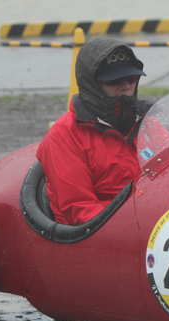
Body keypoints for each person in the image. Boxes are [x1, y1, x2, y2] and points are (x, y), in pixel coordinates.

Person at [36, 37, 151, 225]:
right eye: (114, 80)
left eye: (132, 78)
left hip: (152, 223)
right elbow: (80, 209)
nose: (126, 86)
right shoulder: (63, 136)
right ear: (92, 85)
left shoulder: (149, 120)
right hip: (100, 234)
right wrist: (141, 224)